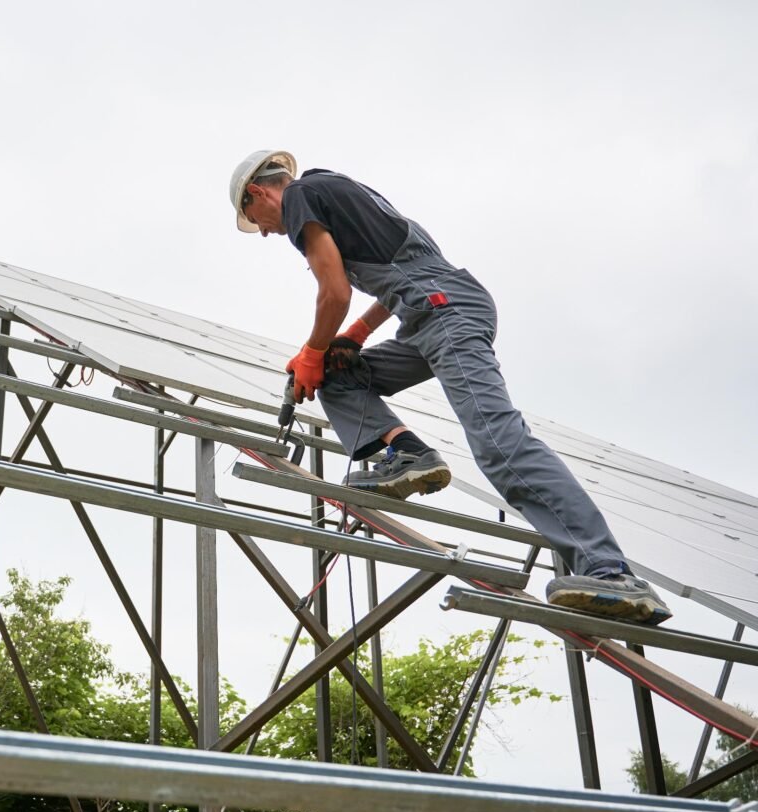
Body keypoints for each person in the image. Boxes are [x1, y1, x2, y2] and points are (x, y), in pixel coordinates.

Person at [229, 149, 672, 625]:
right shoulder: (345, 192)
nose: (271, 233)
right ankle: (407, 454)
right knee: (342, 376)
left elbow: (334, 290)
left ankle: (609, 571)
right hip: (436, 310)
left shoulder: (299, 196)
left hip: (443, 313)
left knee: (499, 445)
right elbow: (408, 266)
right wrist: (353, 337)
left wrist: (313, 352)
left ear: (259, 192)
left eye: (260, 222)